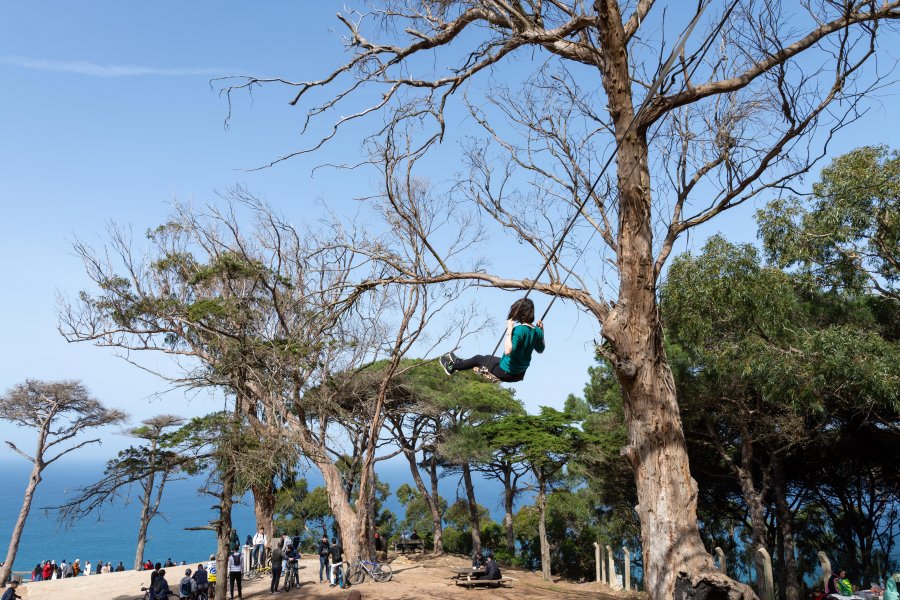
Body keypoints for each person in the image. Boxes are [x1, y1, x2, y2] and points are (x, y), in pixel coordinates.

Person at [440, 298, 545, 383]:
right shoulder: (537, 331)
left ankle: (451, 367)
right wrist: (542, 331)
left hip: (505, 371)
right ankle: (461, 363)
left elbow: (508, 350)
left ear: (520, 312)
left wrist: (509, 329)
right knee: (486, 358)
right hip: (518, 374)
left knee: (478, 358)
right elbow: (541, 349)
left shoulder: (519, 330)